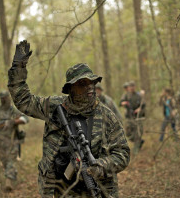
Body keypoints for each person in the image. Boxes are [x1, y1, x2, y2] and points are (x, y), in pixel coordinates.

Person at [7, 40, 130, 197]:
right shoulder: (54, 107)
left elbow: (122, 153)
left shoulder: (107, 116)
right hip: (60, 190)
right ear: (70, 88)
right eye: (82, 83)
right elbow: (23, 100)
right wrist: (18, 68)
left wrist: (99, 167)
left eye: (91, 82)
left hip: (97, 189)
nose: (89, 87)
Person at [0, 90, 29, 191]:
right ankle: (12, 173)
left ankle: (8, 183)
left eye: (5, 98)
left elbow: (25, 119)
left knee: (10, 160)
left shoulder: (12, 110)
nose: (4, 100)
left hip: (12, 140)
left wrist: (13, 122)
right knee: (4, 161)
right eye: (2, 98)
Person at [120, 81, 145, 153]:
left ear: (135, 87)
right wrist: (124, 103)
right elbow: (121, 102)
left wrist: (139, 109)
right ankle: (140, 141)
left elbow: (143, 105)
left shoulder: (138, 95)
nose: (132, 88)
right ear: (129, 88)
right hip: (129, 117)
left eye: (133, 86)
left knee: (138, 133)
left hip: (137, 117)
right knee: (128, 133)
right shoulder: (126, 95)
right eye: (130, 87)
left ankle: (136, 151)